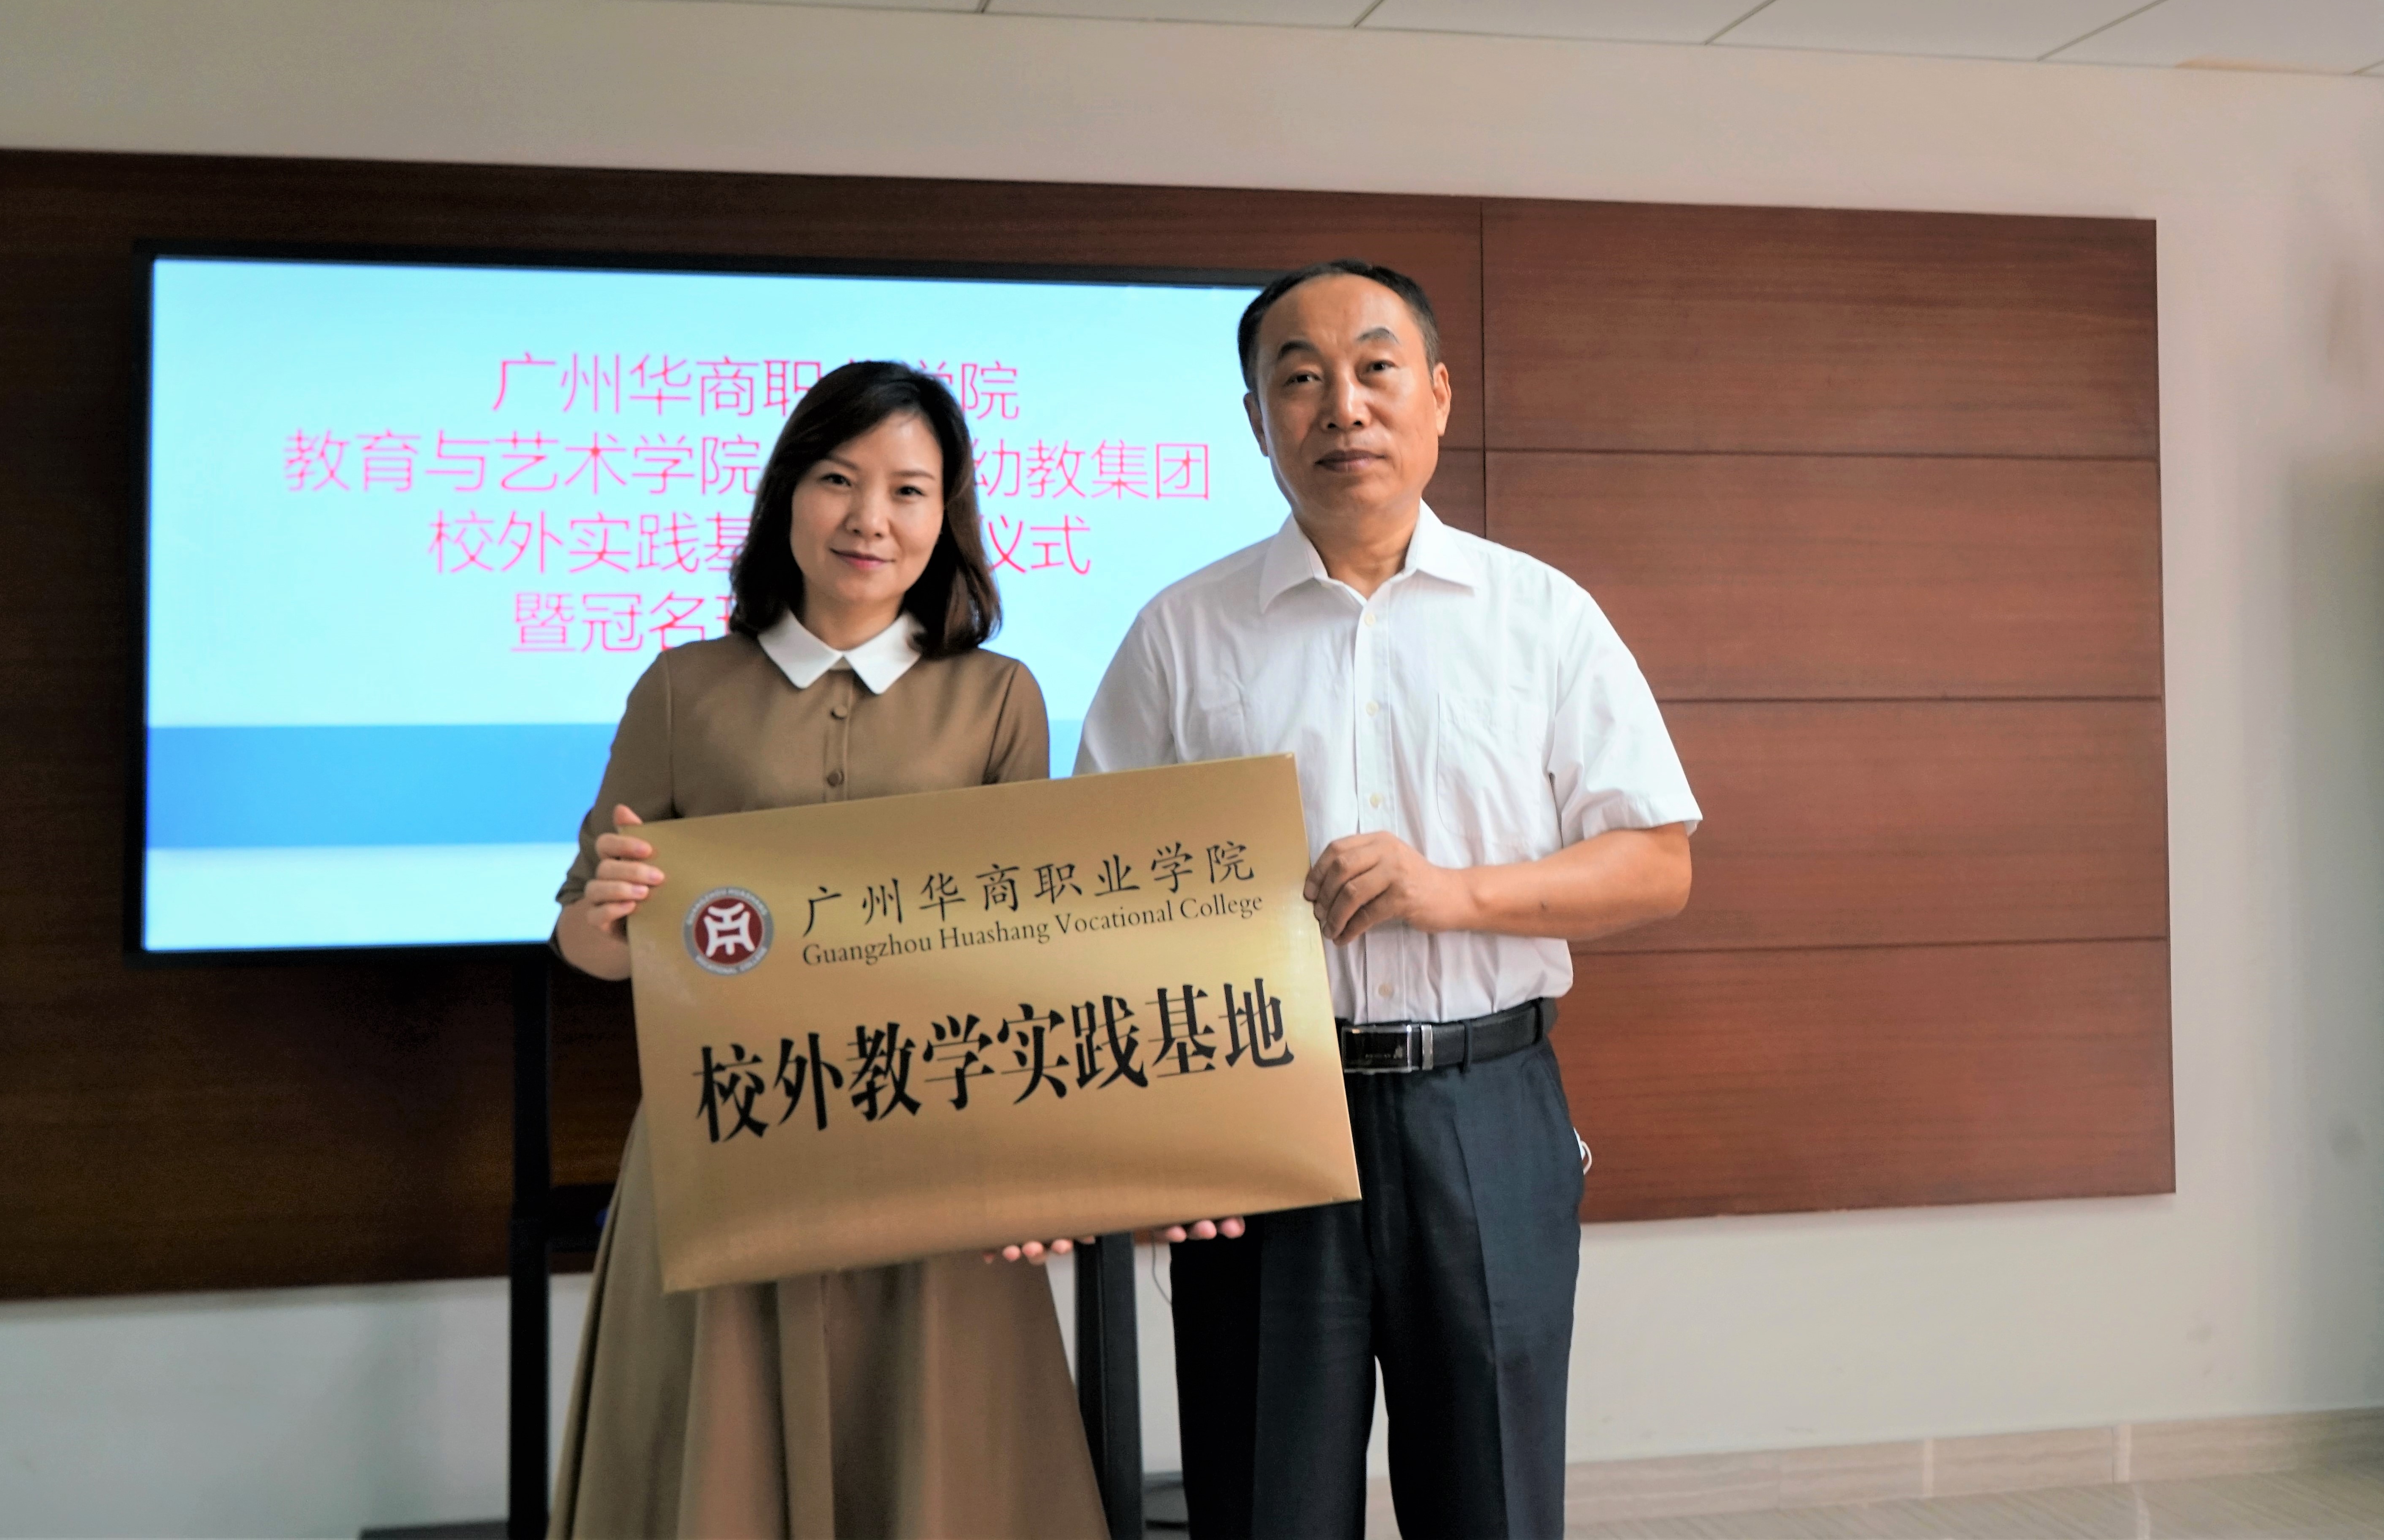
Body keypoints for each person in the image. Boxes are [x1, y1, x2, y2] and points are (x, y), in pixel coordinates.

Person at [1074, 261, 1700, 1540]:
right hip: (1260, 1116)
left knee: (1493, 1503)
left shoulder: (1541, 617)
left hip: (1486, 1108)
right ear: (1257, 420)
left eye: (1374, 369)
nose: (1342, 406)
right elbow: (1097, 905)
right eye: (1299, 378)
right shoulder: (1181, 635)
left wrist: (1452, 893)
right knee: (1266, 1505)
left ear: (1439, 396)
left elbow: (1655, 864)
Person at [545, 361, 1106, 1540]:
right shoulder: (683, 688)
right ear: (787, 494)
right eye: (839, 480)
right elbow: (594, 942)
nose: (870, 518)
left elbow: (1025, 956)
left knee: (938, 1477)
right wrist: (605, 918)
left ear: (947, 516)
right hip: (722, 1138)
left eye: (909, 490)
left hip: (935, 1146)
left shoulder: (998, 698)